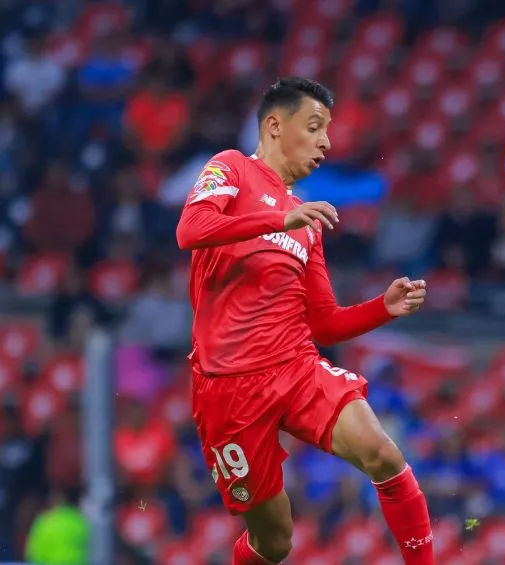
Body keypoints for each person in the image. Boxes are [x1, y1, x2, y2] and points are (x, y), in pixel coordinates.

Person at [176, 77, 434, 565]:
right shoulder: (231, 168)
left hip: (294, 367)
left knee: (384, 454)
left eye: (327, 131)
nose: (326, 142)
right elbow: (190, 230)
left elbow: (325, 325)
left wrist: (383, 307)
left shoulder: (306, 219)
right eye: (314, 127)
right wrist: (278, 221)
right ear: (275, 125)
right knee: (274, 542)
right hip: (228, 389)